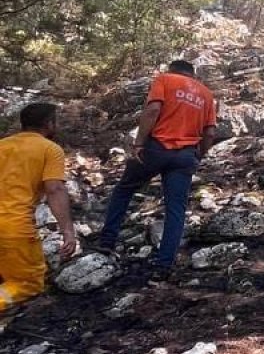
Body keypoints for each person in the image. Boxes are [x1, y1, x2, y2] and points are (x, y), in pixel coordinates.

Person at [96, 60, 217, 283]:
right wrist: (198, 155)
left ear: (172, 70)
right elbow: (209, 133)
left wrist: (139, 143)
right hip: (186, 154)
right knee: (176, 209)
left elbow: (152, 110)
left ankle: (107, 241)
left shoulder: (164, 80)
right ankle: (164, 264)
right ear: (192, 75)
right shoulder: (206, 94)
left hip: (156, 148)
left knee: (124, 189)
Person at [0, 103, 78, 312]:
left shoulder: (2, 145)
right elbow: (54, 189)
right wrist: (68, 231)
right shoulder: (50, 149)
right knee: (27, 284)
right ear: (49, 124)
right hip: (13, 227)